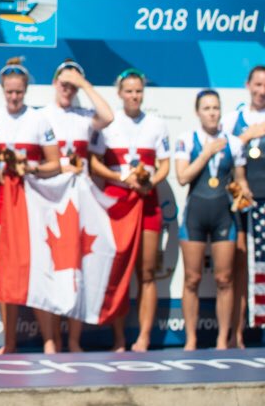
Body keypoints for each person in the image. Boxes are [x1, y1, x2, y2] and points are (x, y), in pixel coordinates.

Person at [89, 69, 171, 351]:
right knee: (117, 269)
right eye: (129, 91)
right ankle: (119, 338)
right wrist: (122, 178)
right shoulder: (109, 123)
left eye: (139, 91)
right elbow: (95, 164)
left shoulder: (157, 124)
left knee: (146, 272)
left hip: (147, 202)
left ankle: (144, 337)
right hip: (118, 202)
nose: (134, 96)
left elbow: (165, 166)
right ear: (120, 93)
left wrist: (150, 183)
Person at [0, 57, 61, 354]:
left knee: (38, 267)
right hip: (1, 200)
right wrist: (0, 171)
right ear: (2, 90)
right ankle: (9, 343)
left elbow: (55, 163)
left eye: (18, 92)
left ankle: (49, 340)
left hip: (32, 202)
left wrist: (30, 169)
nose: (14, 98)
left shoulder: (39, 119)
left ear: (26, 90)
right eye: (9, 92)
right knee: (4, 271)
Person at [41, 59, 114, 352]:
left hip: (81, 200)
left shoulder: (85, 116)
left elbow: (108, 116)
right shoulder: (41, 116)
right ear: (54, 83)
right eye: (63, 82)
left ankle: (73, 340)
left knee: (76, 269)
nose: (67, 89)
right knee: (49, 268)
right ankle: (51, 340)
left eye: (72, 85)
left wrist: (83, 83)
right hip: (50, 198)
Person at [175, 89, 250, 350]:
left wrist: (244, 192)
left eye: (216, 108)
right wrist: (206, 153)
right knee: (192, 279)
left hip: (223, 216)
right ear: (198, 112)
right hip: (196, 213)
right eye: (206, 108)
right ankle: (191, 339)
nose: (212, 113)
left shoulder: (234, 143)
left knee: (224, 279)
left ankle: (222, 339)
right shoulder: (187, 139)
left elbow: (240, 179)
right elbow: (183, 177)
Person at [233, 65, 265, 347]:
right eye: (257, 85)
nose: (262, 91)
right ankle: (240, 332)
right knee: (243, 267)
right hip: (246, 203)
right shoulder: (236, 119)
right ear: (248, 85)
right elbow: (223, 151)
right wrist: (246, 136)